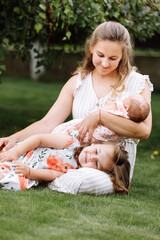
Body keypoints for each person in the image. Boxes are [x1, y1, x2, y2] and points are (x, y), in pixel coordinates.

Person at [0, 21, 153, 191]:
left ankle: (50, 175)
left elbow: (144, 131)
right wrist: (13, 139)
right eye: (100, 55)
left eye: (113, 58)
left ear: (123, 56)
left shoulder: (137, 83)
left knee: (89, 180)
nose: (104, 63)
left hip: (110, 168)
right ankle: (45, 172)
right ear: (91, 48)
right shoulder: (78, 82)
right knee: (35, 153)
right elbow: (48, 123)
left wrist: (100, 116)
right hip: (71, 154)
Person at [0, 129, 130, 194]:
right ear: (93, 144)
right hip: (24, 151)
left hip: (27, 168)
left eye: (96, 163)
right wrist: (15, 152)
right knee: (4, 155)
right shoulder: (71, 143)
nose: (91, 157)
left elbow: (51, 175)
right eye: (96, 152)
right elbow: (39, 139)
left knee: (13, 182)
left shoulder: (73, 172)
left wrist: (29, 171)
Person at [53, 93, 150, 142]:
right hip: (100, 139)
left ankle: (58, 134)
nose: (125, 98)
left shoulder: (121, 109)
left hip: (93, 130)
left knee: (72, 129)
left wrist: (109, 104)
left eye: (128, 99)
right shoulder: (127, 118)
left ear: (126, 108)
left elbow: (108, 109)